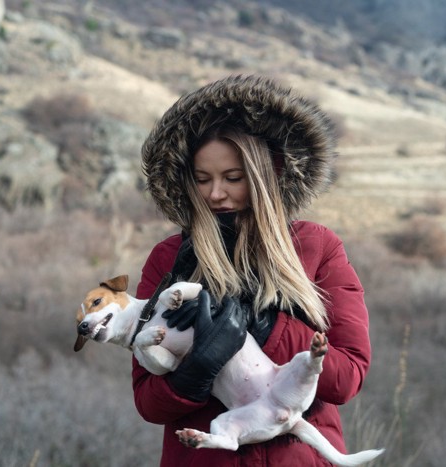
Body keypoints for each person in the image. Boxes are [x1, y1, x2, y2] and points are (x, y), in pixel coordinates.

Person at [135, 75, 371, 466]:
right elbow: (147, 401)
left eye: (233, 178)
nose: (215, 194)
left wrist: (264, 327)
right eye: (202, 180)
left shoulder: (315, 247)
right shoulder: (169, 258)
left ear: (265, 175)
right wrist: (195, 371)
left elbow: (348, 376)